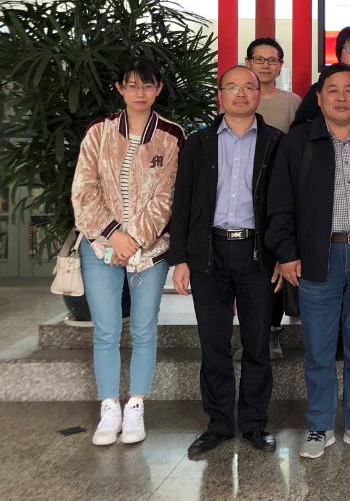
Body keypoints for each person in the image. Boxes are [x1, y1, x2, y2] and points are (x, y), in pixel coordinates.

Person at [267, 63, 350, 458]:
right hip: (317, 257)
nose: (341, 97)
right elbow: (280, 202)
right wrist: (287, 253)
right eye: (333, 90)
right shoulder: (298, 141)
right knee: (319, 349)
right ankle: (319, 427)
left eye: (349, 90)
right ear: (319, 98)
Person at [169, 65, 284, 457]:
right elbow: (182, 202)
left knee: (257, 344)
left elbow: (286, 205)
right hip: (209, 253)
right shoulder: (198, 143)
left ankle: (254, 423)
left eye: (248, 87)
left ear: (258, 94)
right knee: (213, 343)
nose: (240, 93)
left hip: (257, 255)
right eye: (232, 87)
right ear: (220, 96)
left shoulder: (276, 142)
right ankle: (218, 423)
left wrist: (283, 255)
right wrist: (180, 259)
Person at [71, 57, 184, 446]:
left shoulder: (171, 135)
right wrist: (112, 235)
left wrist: (133, 239)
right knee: (105, 329)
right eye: (132, 85)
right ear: (119, 88)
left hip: (150, 250)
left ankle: (136, 405)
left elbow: (168, 196)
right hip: (99, 247)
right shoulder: (99, 132)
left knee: (143, 327)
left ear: (158, 89)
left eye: (148, 85)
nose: (140, 93)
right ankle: (109, 407)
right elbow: (84, 189)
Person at [245, 36, 302, 360]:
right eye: (259, 59)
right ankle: (251, 332)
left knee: (276, 262)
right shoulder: (237, 98)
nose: (265, 65)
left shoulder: (292, 102)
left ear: (280, 66)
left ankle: (273, 330)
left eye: (272, 60)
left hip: (277, 195)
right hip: (241, 199)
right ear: (248, 62)